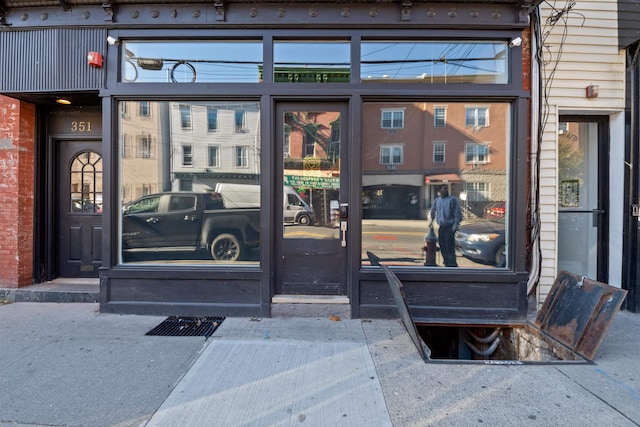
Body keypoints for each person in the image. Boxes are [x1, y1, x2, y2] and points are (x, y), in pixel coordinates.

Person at [429, 185, 462, 267]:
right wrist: (430, 222)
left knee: (449, 246)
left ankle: (452, 263)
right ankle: (446, 261)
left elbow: (457, 214)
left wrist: (455, 226)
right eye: (444, 189)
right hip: (442, 227)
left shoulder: (452, 200)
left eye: (447, 189)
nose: (446, 190)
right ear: (440, 190)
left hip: (449, 227)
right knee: (442, 245)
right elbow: (432, 212)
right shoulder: (437, 201)